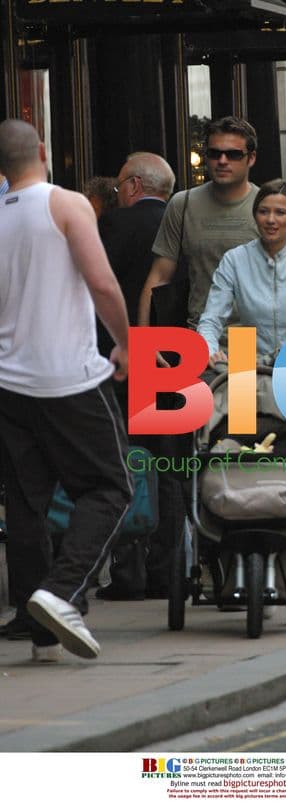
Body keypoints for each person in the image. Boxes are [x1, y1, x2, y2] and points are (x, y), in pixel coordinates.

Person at [0, 119, 132, 661]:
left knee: (25, 505)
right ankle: (62, 592)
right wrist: (126, 343)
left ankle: (41, 636)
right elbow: (101, 282)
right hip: (68, 378)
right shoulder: (67, 203)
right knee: (111, 488)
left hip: (9, 384)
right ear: (42, 150)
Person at [198, 179, 286, 625]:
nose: (270, 220)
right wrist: (209, 350)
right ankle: (229, 566)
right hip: (243, 365)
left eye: (280, 212)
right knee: (235, 454)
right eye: (263, 211)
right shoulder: (235, 260)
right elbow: (211, 317)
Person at [96, 151, 183, 600]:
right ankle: (168, 572)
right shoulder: (182, 221)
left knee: (128, 461)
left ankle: (129, 573)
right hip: (175, 358)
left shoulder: (114, 225)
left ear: (132, 186)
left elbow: (94, 287)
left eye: (118, 188)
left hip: (123, 359)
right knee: (170, 465)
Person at [137, 115, 259, 331]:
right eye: (214, 153)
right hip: (200, 332)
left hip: (248, 336)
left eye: (233, 154)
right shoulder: (183, 204)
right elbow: (159, 276)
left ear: (250, 158)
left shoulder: (268, 206)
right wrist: (145, 340)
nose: (222, 161)